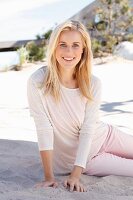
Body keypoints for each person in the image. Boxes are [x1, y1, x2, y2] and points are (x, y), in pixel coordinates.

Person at [27, 20, 133, 193]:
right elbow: (43, 127)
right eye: (63, 45)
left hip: (106, 136)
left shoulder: (93, 83)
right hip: (88, 160)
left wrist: (75, 177)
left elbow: (88, 128)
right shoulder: (37, 82)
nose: (69, 52)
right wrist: (50, 177)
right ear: (54, 47)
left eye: (75, 45)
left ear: (84, 49)